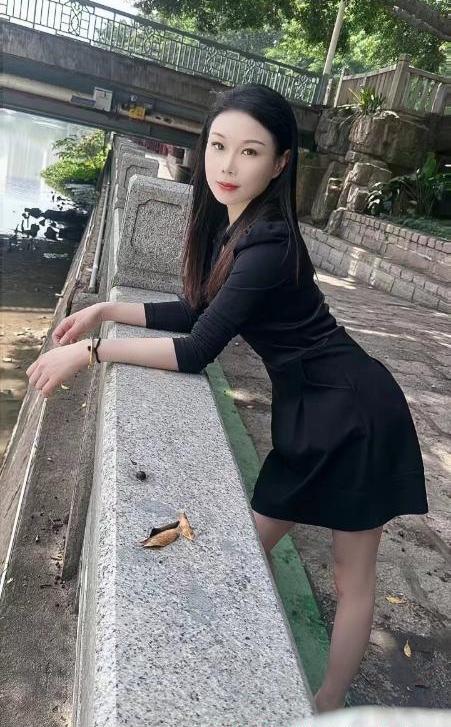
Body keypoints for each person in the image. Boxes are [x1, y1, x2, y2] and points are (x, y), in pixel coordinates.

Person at [26, 83, 428, 712]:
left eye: (249, 151)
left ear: (280, 163)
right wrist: (105, 310)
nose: (227, 165)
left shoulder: (270, 244)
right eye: (218, 146)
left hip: (354, 412)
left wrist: (92, 354)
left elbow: (196, 350)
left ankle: (326, 705)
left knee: (349, 575)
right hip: (314, 407)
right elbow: (199, 311)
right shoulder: (239, 227)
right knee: (247, 546)